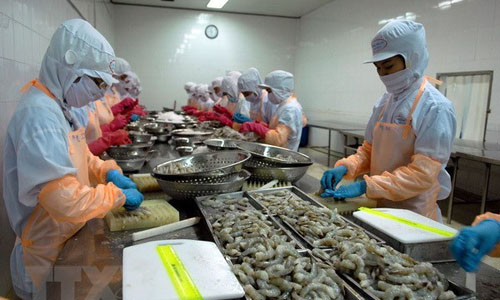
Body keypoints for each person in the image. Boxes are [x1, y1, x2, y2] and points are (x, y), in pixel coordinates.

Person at [3, 19, 144, 298]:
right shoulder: (39, 116)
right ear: (71, 70)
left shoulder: (58, 106)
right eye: (97, 82)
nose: (101, 93)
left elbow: (81, 155)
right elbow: (64, 201)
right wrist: (115, 196)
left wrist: (106, 171)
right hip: (44, 257)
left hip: (64, 240)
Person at [320, 20, 456, 221]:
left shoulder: (435, 107)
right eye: (378, 68)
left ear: (412, 58)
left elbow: (422, 174)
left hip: (413, 214)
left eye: (388, 66)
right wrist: (346, 167)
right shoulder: (385, 102)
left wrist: (367, 185)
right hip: (379, 206)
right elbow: (369, 149)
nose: (383, 74)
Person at [239, 70, 304, 151]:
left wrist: (258, 128)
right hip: (279, 153)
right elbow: (280, 129)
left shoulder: (290, 109)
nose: (267, 94)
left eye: (269, 91)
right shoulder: (283, 105)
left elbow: (279, 140)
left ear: (280, 90)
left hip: (285, 156)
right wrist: (263, 126)